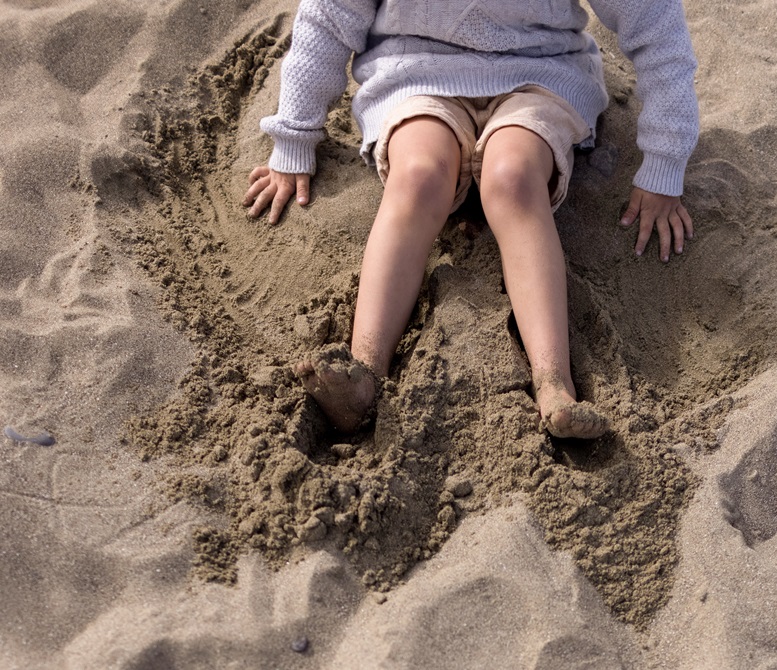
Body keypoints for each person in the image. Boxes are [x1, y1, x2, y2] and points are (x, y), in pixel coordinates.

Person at [243, 0, 699, 439]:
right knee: (419, 177)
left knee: (513, 178)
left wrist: (664, 162)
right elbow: (328, 16)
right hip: (415, 71)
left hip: (539, 74)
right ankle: (363, 370)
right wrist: (295, 137)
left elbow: (657, 26)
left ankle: (554, 382)